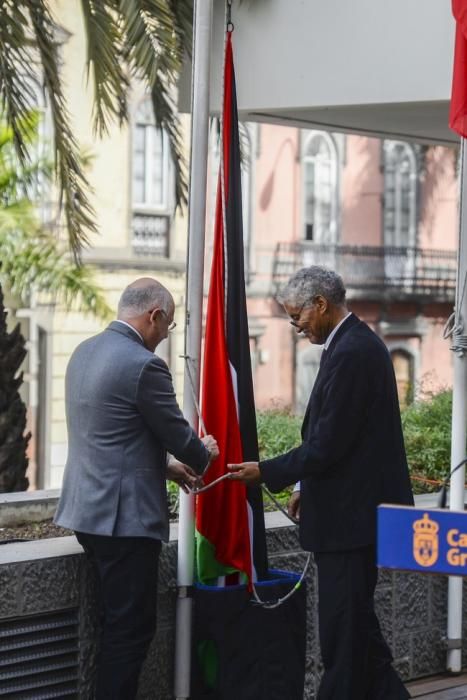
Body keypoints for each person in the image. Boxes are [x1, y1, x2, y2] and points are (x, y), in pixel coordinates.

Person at [229, 266, 413, 700]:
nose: (295, 326)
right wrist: (302, 487)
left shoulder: (352, 352)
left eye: (297, 317)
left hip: (349, 524)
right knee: (357, 631)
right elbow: (338, 439)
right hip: (349, 517)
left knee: (341, 639)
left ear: (321, 305)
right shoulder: (351, 344)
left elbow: (328, 445)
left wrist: (267, 472)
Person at [55, 277, 219, 700]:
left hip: (84, 514)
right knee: (130, 634)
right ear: (154, 315)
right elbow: (181, 437)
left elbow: (111, 434)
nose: (166, 336)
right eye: (167, 327)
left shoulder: (83, 352)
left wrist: (167, 468)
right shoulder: (144, 365)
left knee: (113, 626)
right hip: (124, 522)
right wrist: (204, 452)